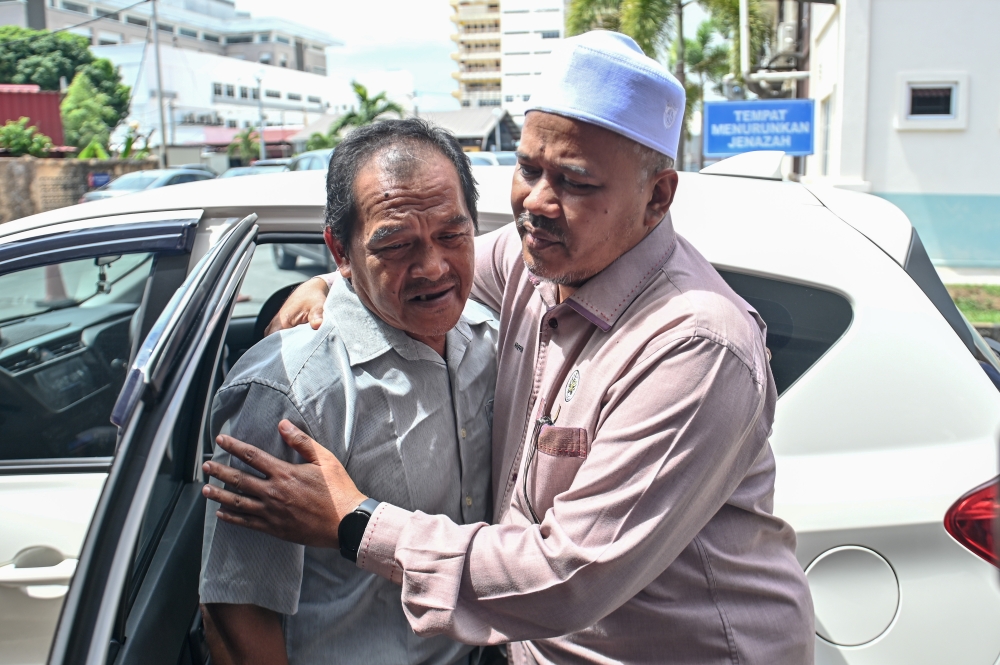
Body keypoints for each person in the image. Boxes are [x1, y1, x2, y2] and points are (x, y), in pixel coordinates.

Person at [204, 31, 815, 664]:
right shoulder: (542, 258)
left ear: (657, 197)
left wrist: (355, 521)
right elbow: (432, 259)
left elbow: (568, 579)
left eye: (575, 182)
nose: (538, 202)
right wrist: (329, 281)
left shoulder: (696, 345)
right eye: (528, 169)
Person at [199, 119, 498, 665]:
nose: (433, 267)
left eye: (452, 236)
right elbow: (237, 612)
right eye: (396, 245)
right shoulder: (286, 392)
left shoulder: (492, 340)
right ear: (340, 251)